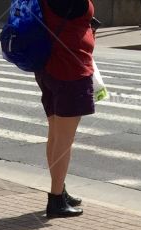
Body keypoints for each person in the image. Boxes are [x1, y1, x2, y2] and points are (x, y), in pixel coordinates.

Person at [35, 0, 95, 218]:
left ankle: (59, 188)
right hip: (71, 71)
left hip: (47, 67)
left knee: (55, 134)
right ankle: (56, 200)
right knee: (64, 140)